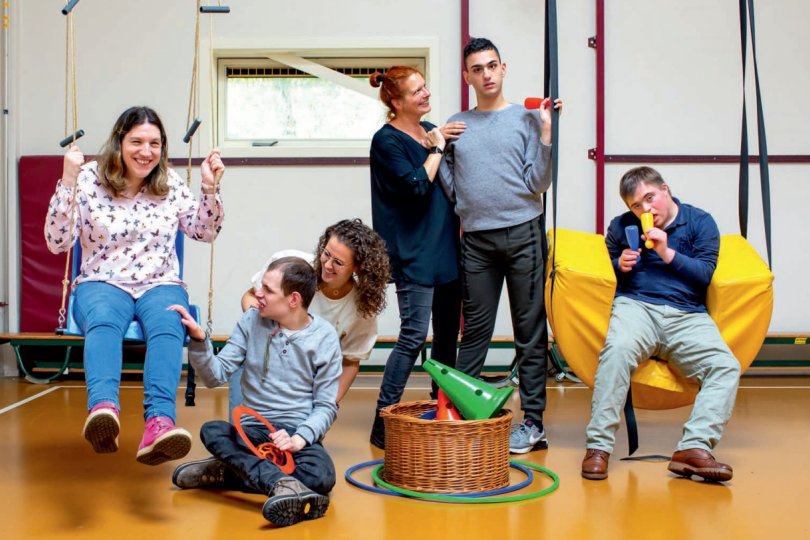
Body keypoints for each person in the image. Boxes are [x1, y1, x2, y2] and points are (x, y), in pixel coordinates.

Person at [44, 106, 225, 465]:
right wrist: (67, 181)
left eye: (154, 143)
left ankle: (158, 424)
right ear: (119, 142)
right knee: (104, 321)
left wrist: (209, 186)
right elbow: (57, 242)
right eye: (137, 141)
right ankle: (103, 411)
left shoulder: (170, 183)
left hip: (160, 283)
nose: (146, 151)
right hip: (101, 281)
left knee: (168, 324)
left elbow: (205, 231)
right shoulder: (88, 179)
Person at [438, 38, 562, 453]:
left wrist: (546, 132)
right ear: (467, 76)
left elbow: (539, 183)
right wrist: (436, 143)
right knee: (473, 333)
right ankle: (458, 418)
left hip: (524, 233)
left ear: (503, 69)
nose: (487, 74)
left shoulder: (528, 118)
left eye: (493, 66)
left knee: (529, 332)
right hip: (476, 240)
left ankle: (533, 423)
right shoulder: (456, 124)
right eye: (478, 68)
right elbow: (451, 186)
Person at [581, 166, 740, 482]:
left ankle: (693, 448)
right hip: (637, 306)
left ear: (665, 190)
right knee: (617, 350)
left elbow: (705, 275)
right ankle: (598, 448)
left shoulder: (699, 222)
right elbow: (604, 272)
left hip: (688, 314)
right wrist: (618, 265)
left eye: (649, 198)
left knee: (725, 366)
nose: (645, 209)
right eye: (636, 206)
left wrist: (667, 251)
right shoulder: (621, 226)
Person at [169, 257, 341, 527]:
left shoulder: (325, 337)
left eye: (268, 290)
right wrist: (200, 340)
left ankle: (232, 471)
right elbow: (216, 376)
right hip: (253, 431)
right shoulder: (250, 322)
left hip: (293, 435)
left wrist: (299, 439)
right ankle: (281, 484)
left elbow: (326, 407)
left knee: (323, 476)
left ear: (293, 300)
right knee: (213, 431)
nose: (257, 295)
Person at [368, 66, 464, 449]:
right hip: (412, 251)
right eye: (417, 91)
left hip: (445, 248)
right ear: (396, 101)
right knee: (413, 336)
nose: (426, 94)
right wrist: (438, 147)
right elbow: (414, 188)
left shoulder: (431, 129)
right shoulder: (386, 141)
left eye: (425, 87)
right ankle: (382, 420)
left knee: (446, 338)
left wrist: (442, 140)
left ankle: (443, 410)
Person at [231, 218, 390, 410]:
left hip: (301, 383)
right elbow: (249, 297)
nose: (328, 265)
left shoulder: (361, 309)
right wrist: (260, 326)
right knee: (243, 436)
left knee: (293, 438)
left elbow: (350, 362)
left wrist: (325, 407)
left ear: (357, 267)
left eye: (338, 262)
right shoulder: (293, 265)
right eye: (326, 254)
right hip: (257, 364)